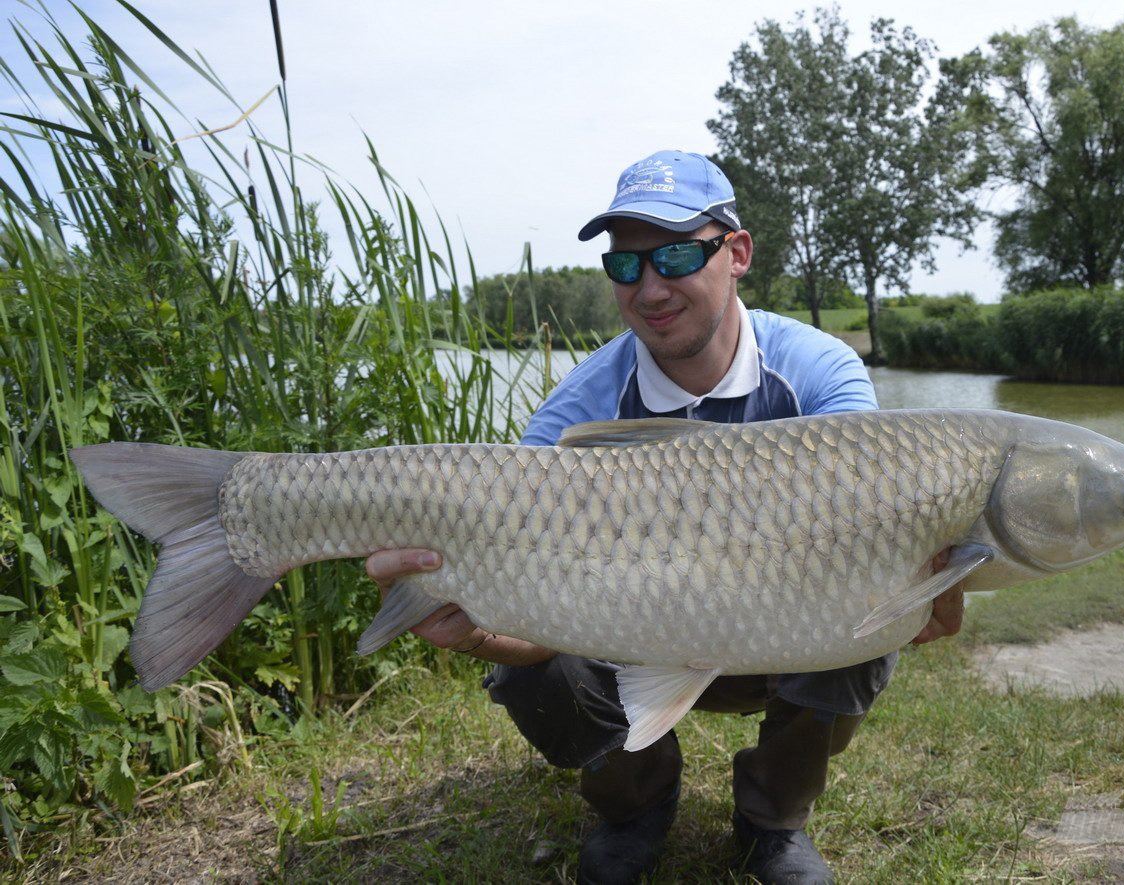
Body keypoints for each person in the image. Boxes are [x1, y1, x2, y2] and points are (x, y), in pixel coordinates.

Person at [365, 150, 964, 884]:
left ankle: (771, 817)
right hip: (626, 636)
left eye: (676, 255)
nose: (650, 288)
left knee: (871, 618)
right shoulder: (576, 411)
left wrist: (929, 576)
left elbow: (872, 521)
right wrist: (481, 629)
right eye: (627, 267)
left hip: (778, 637)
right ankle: (635, 802)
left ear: (736, 253)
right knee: (533, 676)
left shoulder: (818, 372)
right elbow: (530, 621)